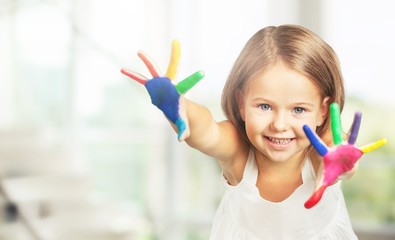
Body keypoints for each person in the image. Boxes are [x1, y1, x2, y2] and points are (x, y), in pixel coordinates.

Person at [122, 24, 358, 239]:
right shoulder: (239, 153)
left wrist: (343, 163)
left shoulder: (321, 150)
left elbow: (338, 158)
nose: (279, 124)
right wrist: (179, 106)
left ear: (323, 112)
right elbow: (208, 131)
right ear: (241, 102)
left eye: (298, 109)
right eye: (264, 106)